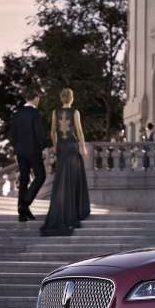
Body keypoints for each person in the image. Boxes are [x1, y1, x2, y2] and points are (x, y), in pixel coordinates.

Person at [40, 87, 91, 237]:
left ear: (62, 98)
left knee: (61, 179)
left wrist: (55, 146)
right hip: (72, 146)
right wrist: (83, 147)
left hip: (61, 147)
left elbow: (52, 131)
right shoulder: (75, 112)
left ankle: (62, 211)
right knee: (73, 178)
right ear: (72, 98)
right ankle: (75, 211)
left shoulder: (55, 112)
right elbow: (79, 131)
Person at [10, 87, 47, 223]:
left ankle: (21, 213)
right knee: (41, 176)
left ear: (26, 99)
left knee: (24, 179)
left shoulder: (17, 114)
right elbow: (38, 131)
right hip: (33, 150)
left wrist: (15, 151)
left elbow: (14, 134)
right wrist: (44, 147)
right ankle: (25, 204)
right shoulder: (37, 113)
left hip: (20, 151)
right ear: (36, 98)